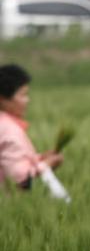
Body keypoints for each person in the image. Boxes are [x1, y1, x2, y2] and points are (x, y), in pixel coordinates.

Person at [0, 63, 65, 194]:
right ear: (3, 99)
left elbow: (8, 162)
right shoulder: (9, 130)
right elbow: (21, 179)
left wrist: (39, 159)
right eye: (23, 95)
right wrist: (46, 165)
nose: (27, 100)